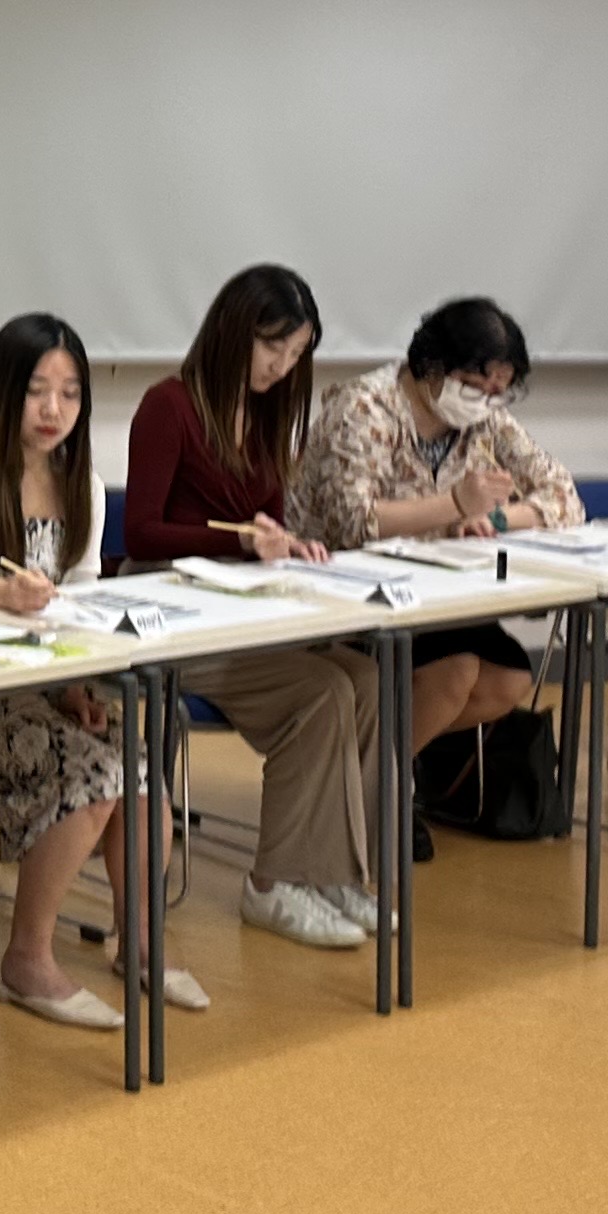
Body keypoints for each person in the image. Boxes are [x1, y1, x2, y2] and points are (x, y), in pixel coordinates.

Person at [0, 313, 207, 1021]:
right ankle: (26, 961)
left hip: (40, 683)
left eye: (69, 394)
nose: (53, 410)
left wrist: (76, 687)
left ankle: (140, 944)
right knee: (94, 778)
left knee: (140, 775)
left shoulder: (80, 483)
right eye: (37, 391)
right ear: (4, 389)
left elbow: (81, 604)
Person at [120, 264, 377, 949]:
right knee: (321, 693)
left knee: (367, 679)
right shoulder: (168, 406)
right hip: (176, 616)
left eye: (295, 355)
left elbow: (265, 522)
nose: (282, 368)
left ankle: (334, 870)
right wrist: (237, 540)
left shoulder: (266, 416)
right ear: (235, 332)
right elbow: (140, 533)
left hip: (242, 610)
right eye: (273, 349)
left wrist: (288, 545)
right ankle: (274, 884)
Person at [290, 296, 580, 775]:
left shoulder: (485, 418)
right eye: (473, 386)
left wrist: (498, 519)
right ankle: (374, 789)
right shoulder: (364, 408)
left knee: (509, 678)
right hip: (348, 592)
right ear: (432, 365)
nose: (484, 400)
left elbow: (564, 495)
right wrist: (456, 504)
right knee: (455, 672)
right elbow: (353, 523)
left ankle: (371, 774)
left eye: (497, 391)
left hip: (432, 594)